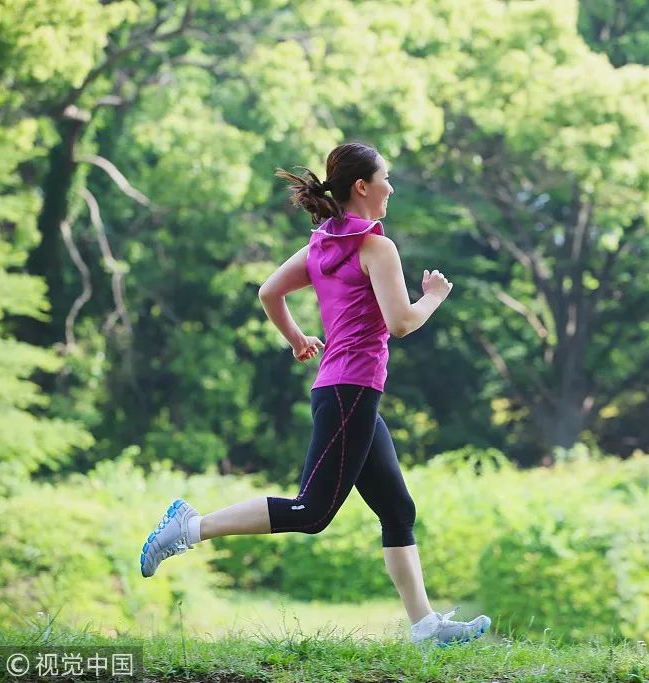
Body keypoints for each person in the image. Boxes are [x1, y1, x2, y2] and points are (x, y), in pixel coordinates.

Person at [138, 142, 491, 647]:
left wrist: (299, 339)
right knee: (312, 511)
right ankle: (191, 527)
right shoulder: (375, 247)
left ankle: (426, 627)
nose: (392, 187)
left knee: (396, 508)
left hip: (346, 392)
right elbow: (402, 322)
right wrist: (433, 295)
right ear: (362, 187)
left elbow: (268, 292)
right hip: (350, 393)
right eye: (385, 178)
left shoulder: (324, 243)